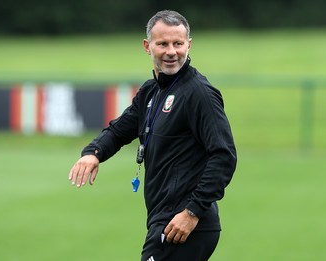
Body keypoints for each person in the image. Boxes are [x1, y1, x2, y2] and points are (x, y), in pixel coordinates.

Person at [68, 10, 237, 261]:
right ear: (148, 46)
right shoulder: (151, 92)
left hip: (184, 224)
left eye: (178, 44)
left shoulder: (199, 93)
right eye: (163, 44)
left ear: (189, 45)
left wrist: (192, 212)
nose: (172, 51)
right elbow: (118, 130)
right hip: (163, 219)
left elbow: (224, 155)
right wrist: (94, 153)